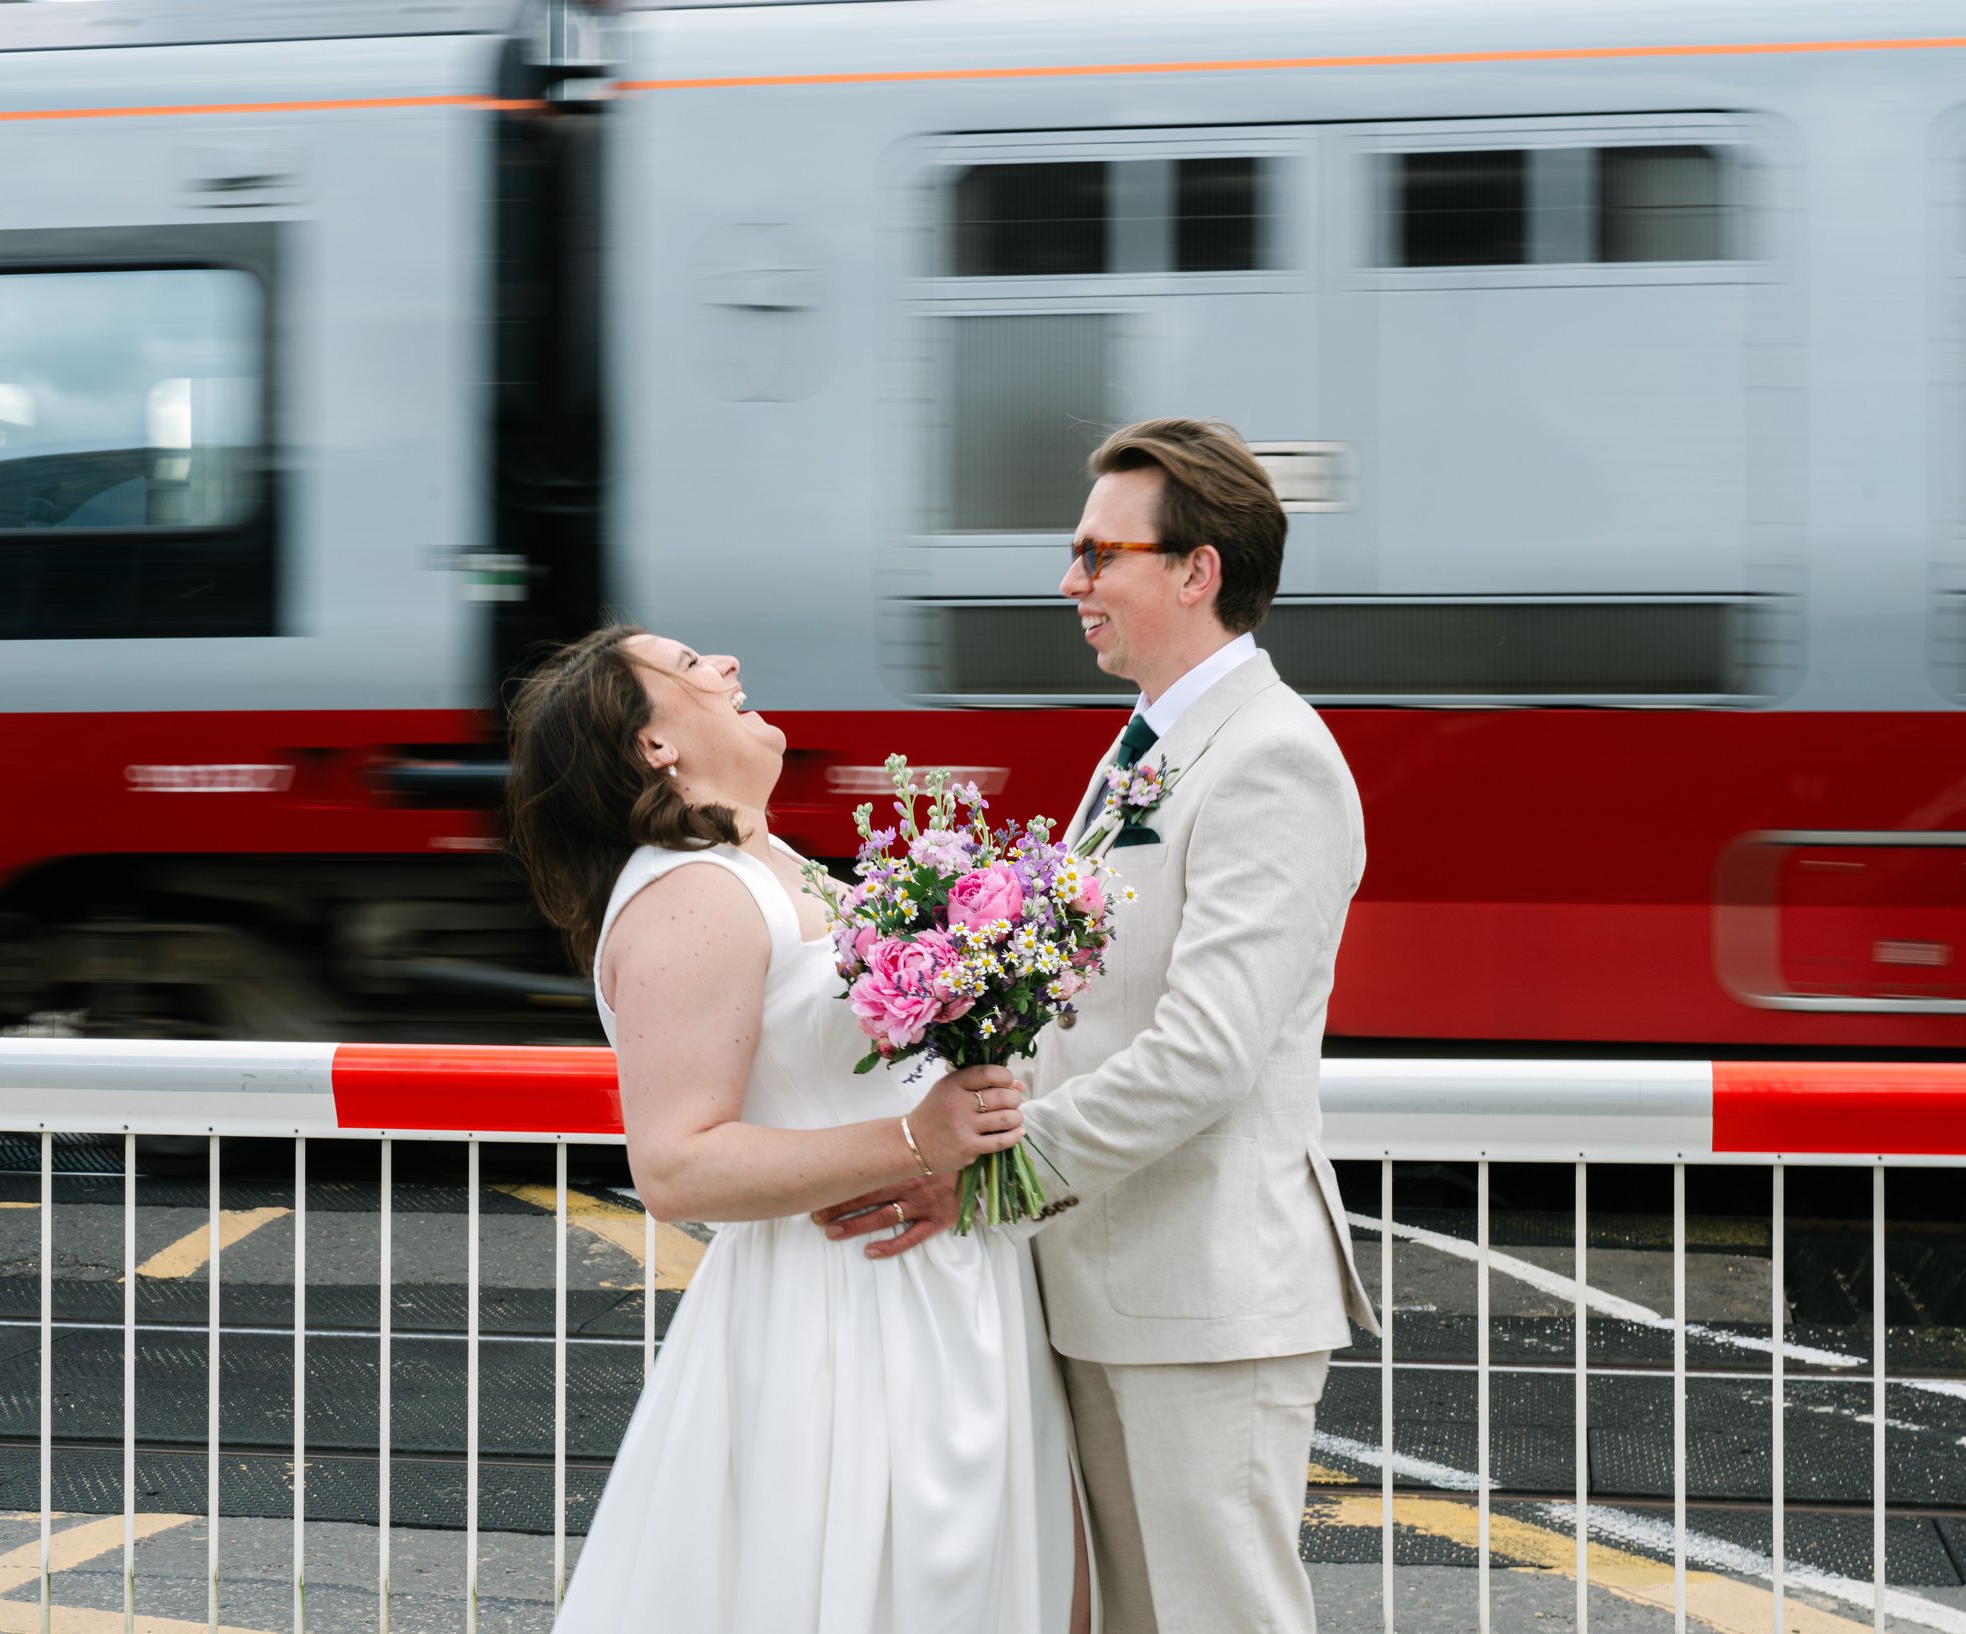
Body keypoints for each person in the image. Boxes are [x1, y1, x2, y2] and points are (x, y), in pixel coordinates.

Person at [820, 418, 1377, 1633]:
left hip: (1204, 1293)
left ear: (1196, 569)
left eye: (1095, 554)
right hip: (1118, 1281)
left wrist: (985, 1178)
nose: (1070, 584)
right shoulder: (1150, 746)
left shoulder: (1272, 758)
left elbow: (1206, 1052)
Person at [505, 624, 1090, 1634]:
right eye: (691, 668)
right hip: (838, 1320)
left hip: (933, 1295)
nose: (728, 664)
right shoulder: (691, 894)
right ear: (653, 746)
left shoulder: (777, 867)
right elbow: (678, 1163)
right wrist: (920, 1141)